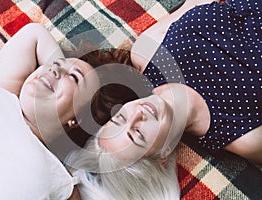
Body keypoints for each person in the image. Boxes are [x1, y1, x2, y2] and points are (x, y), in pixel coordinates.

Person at [65, 0, 261, 199]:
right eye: (138, 134)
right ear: (163, 156)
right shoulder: (242, 135)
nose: (138, 114)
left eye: (120, 118)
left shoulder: (147, 55)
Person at [0, 23, 144, 199]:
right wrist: (59, 71)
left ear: (79, 118)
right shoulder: (0, 89)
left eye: (74, 77)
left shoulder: (58, 178)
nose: (54, 69)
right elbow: (34, 33)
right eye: (56, 64)